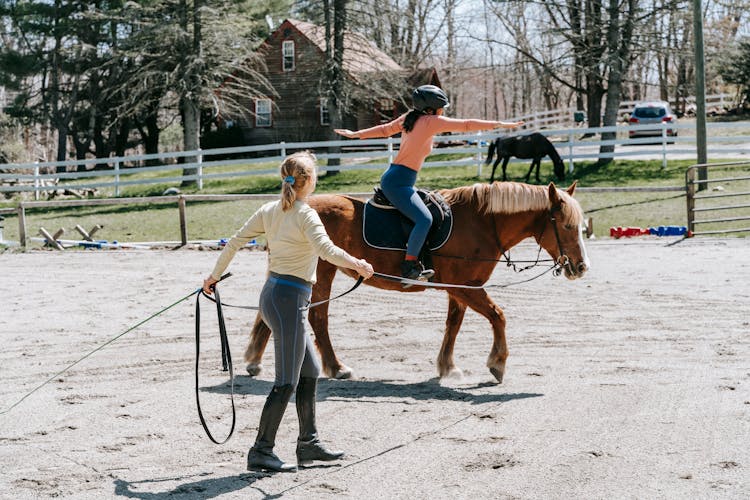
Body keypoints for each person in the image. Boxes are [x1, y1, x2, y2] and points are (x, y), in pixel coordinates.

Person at [202, 151, 374, 473]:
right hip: (288, 300)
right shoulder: (305, 214)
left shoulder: (269, 210)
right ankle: (261, 451)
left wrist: (213, 276)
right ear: (308, 181)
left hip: (276, 297)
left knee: (308, 370)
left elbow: (234, 242)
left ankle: (308, 444)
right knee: (285, 381)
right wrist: (359, 265)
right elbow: (327, 251)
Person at [335, 84, 523, 282]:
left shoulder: (410, 117)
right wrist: (499, 124)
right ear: (432, 108)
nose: (443, 111)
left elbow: (384, 130)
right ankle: (409, 266)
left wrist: (356, 134)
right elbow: (466, 124)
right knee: (424, 219)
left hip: (398, 178)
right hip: (398, 183)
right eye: (442, 107)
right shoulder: (431, 121)